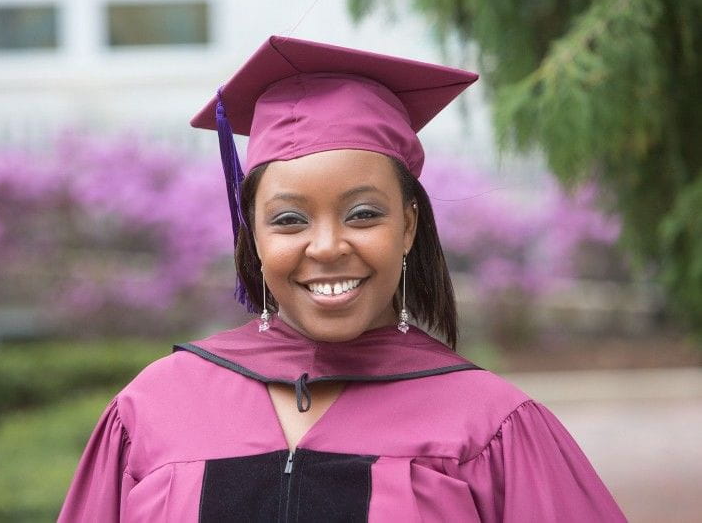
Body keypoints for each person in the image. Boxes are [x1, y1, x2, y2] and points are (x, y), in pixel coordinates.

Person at [58, 35, 627, 522]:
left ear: (408, 226)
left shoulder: (491, 426)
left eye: (363, 214)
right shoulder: (153, 408)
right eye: (288, 220)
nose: (327, 246)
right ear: (252, 237)